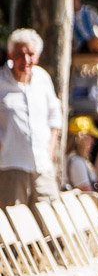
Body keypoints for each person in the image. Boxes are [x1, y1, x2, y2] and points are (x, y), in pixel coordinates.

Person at [0, 29, 64, 206]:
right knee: (13, 223)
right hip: (10, 165)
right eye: (20, 54)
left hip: (42, 165)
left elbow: (54, 116)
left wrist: (50, 149)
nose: (26, 60)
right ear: (11, 55)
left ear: (37, 56)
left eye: (30, 54)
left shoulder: (42, 78)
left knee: (50, 221)